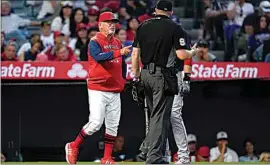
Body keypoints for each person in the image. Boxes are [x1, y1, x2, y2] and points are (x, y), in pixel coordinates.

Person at [131, 0, 198, 163]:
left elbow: (135, 55)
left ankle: (154, 153)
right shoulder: (176, 28)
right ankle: (151, 155)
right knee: (161, 118)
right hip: (163, 76)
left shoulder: (143, 26)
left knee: (154, 117)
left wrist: (136, 77)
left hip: (145, 74)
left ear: (155, 10)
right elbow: (182, 55)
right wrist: (193, 52)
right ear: (171, 12)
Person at [65, 11, 132, 164]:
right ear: (100, 25)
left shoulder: (116, 42)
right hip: (98, 86)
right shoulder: (95, 41)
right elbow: (98, 57)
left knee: (113, 125)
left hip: (114, 89)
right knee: (95, 123)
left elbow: (122, 63)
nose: (112, 25)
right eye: (109, 22)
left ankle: (107, 157)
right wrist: (118, 52)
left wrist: (123, 79)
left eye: (113, 22)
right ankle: (73, 145)